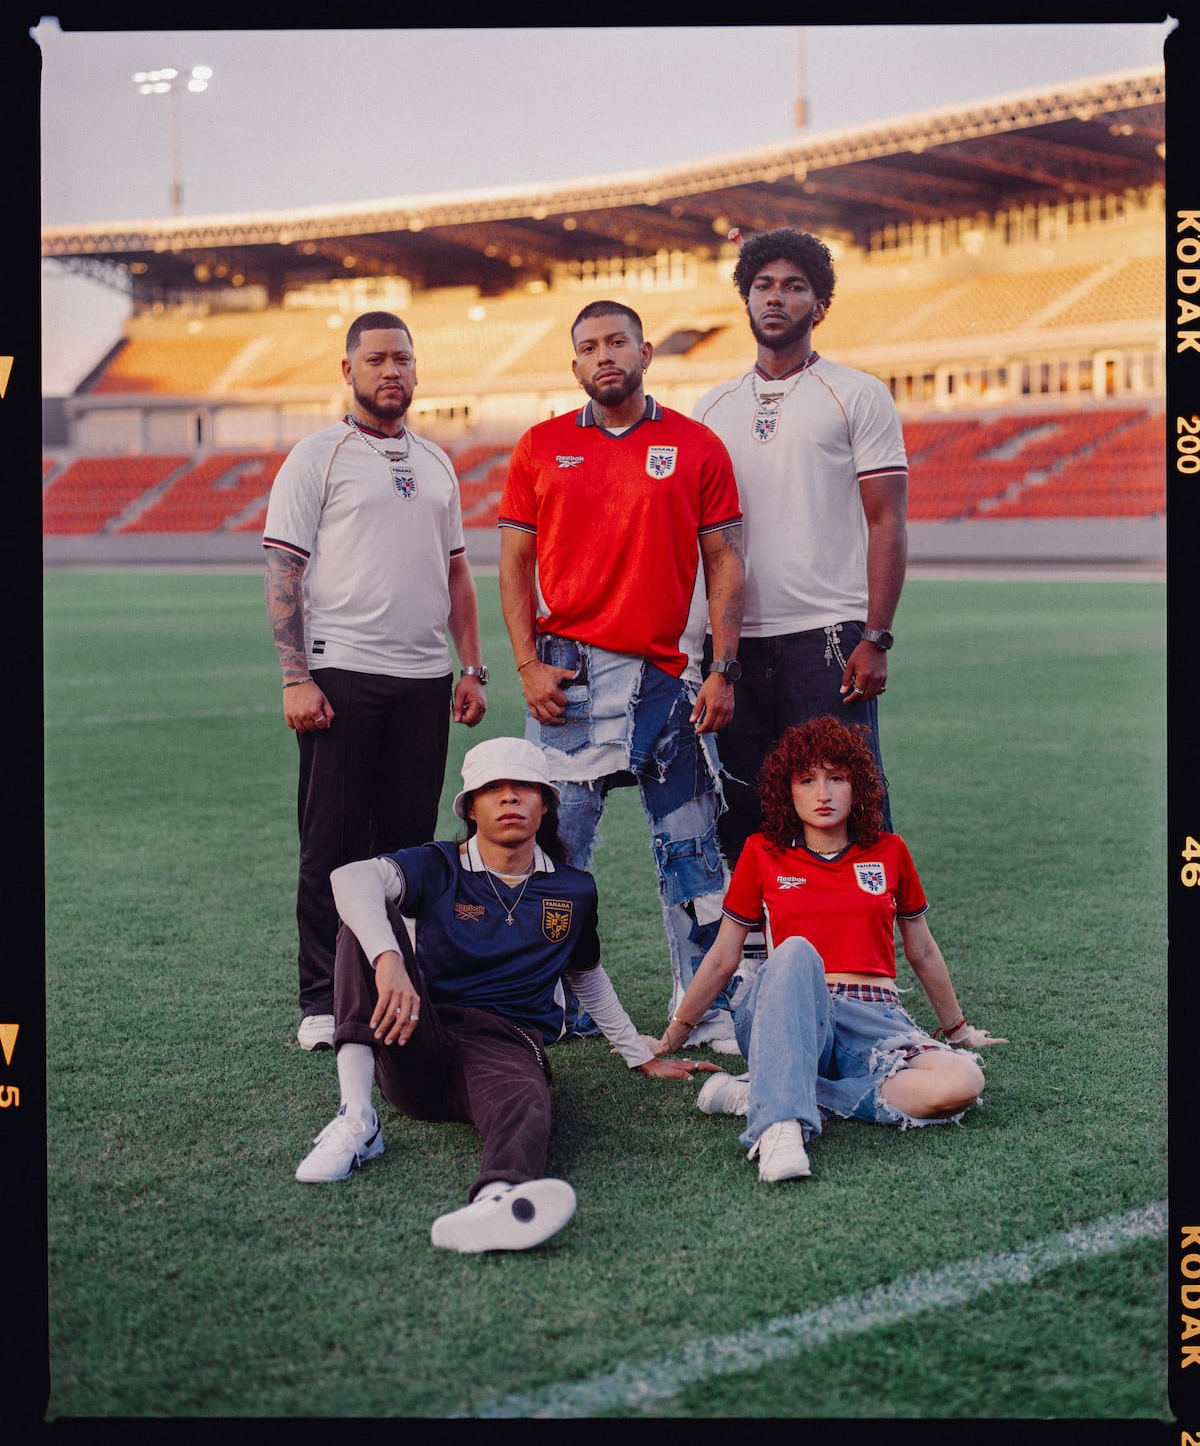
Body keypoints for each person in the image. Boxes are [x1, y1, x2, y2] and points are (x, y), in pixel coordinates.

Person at [294, 736, 714, 1253]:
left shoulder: (573, 888)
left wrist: (636, 1054)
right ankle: (356, 1118)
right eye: (494, 789)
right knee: (364, 916)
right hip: (415, 1033)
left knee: (527, 1099)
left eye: (523, 789)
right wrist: (389, 960)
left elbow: (585, 973)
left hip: (505, 1043)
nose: (510, 799)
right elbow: (349, 876)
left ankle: (498, 1199)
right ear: (472, 806)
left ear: (546, 804)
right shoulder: (439, 864)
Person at [498, 300, 746, 1051]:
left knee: (692, 848)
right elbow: (512, 561)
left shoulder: (697, 445)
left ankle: (703, 1002)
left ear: (644, 352)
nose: (603, 355)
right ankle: (538, 1000)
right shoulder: (539, 446)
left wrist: (723, 669)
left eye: (616, 342)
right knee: (553, 854)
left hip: (666, 679)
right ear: (574, 365)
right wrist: (526, 664)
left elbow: (725, 562)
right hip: (567, 679)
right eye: (588, 347)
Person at [264, 311, 488, 1052]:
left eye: (402, 359)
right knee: (330, 842)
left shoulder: (436, 462)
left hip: (424, 678)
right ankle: (324, 997)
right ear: (348, 370)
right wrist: (296, 676)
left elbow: (456, 570)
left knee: (406, 850)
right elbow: (283, 570)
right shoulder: (317, 456)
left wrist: (472, 665)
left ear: (417, 371)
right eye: (375, 359)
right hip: (342, 673)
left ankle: (397, 986)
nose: (390, 371)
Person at [655, 717, 1007, 1183]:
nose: (823, 793)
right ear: (788, 791)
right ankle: (779, 1126)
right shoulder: (763, 853)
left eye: (836, 778)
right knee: (797, 950)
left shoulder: (889, 851)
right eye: (807, 780)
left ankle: (774, 1089)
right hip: (792, 1010)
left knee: (963, 1082)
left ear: (856, 786)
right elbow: (723, 957)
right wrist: (672, 1037)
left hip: (876, 1017)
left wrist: (958, 1030)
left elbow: (920, 949)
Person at [693, 227, 909, 869]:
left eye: (794, 287)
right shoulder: (712, 407)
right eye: (763, 286)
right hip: (734, 646)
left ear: (819, 305)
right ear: (746, 299)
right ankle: (757, 960)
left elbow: (888, 522)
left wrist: (877, 635)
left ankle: (860, 962)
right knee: (748, 813)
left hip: (829, 639)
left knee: (847, 806)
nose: (776, 298)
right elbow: (699, 540)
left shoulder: (858, 393)